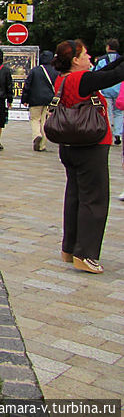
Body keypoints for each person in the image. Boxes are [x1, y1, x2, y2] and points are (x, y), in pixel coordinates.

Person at [51, 39, 124, 274]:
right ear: (75, 60)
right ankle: (86, 254)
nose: (90, 57)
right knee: (94, 199)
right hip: (90, 146)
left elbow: (104, 72)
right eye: (85, 55)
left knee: (74, 196)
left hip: (70, 145)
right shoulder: (82, 80)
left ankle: (70, 248)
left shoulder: (63, 79)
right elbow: (113, 75)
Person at [21, 50, 59, 151]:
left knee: (35, 119)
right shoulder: (55, 71)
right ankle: (42, 145)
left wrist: (24, 99)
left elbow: (27, 85)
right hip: (49, 100)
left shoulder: (35, 70)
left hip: (35, 100)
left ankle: (37, 135)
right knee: (44, 122)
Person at [94, 38, 122, 145]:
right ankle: (118, 134)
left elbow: (96, 74)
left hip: (106, 89)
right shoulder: (121, 60)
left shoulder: (102, 60)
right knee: (119, 113)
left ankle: (109, 132)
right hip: (119, 90)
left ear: (108, 47)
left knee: (108, 112)